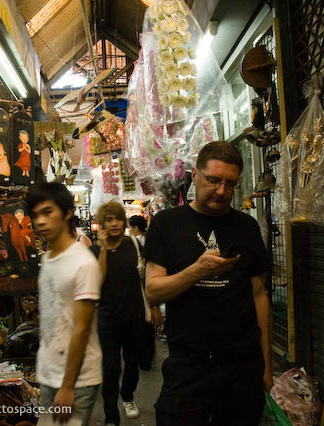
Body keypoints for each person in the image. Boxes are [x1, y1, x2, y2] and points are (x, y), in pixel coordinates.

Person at [144, 141, 272, 426]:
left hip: (241, 365)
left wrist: (266, 364)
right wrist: (197, 271)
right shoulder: (167, 223)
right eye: (213, 180)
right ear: (195, 176)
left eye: (230, 184)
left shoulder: (246, 227)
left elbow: (259, 296)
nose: (221, 191)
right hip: (189, 365)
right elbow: (154, 289)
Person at [26, 182, 102, 426]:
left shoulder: (83, 263)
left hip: (76, 379)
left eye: (48, 212)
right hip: (50, 372)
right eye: (35, 215)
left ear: (67, 212)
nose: (40, 221)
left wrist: (68, 386)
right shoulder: (49, 257)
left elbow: (82, 329)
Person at [89, 201, 145, 425]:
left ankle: (128, 396)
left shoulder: (133, 244)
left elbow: (144, 276)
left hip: (134, 314)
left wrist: (151, 305)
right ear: (101, 224)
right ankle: (111, 414)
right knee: (110, 368)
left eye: (118, 219)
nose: (114, 224)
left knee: (132, 363)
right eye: (109, 220)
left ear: (124, 221)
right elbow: (97, 282)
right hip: (108, 317)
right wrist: (103, 249)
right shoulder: (94, 250)